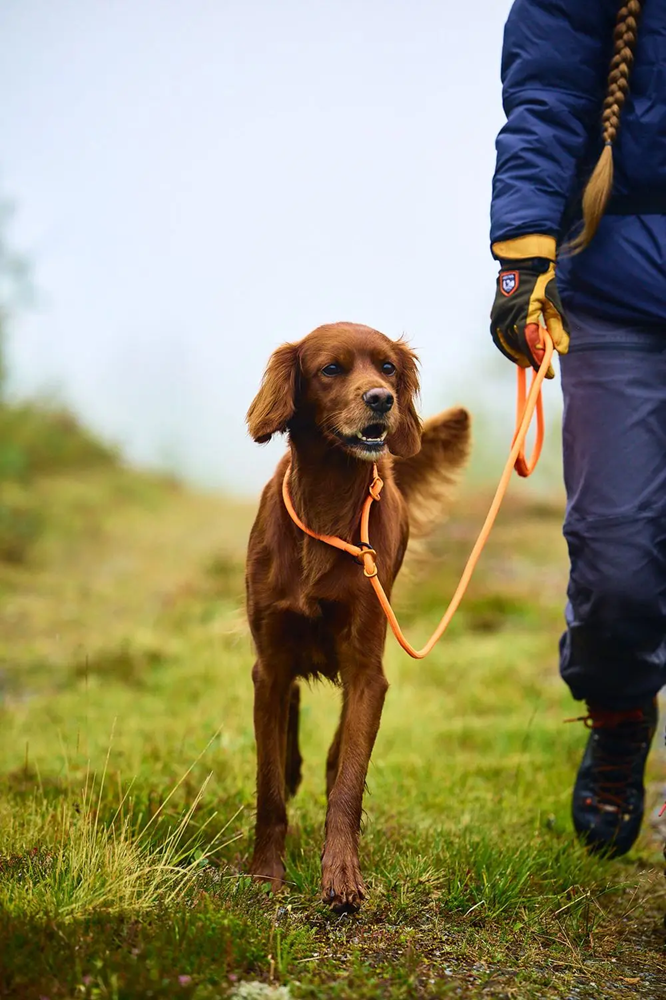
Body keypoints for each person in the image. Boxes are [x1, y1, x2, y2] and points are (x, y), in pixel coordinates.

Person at [489, 0, 666, 857]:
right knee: (619, 566)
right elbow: (549, 89)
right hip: (618, 291)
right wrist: (524, 253)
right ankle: (622, 710)